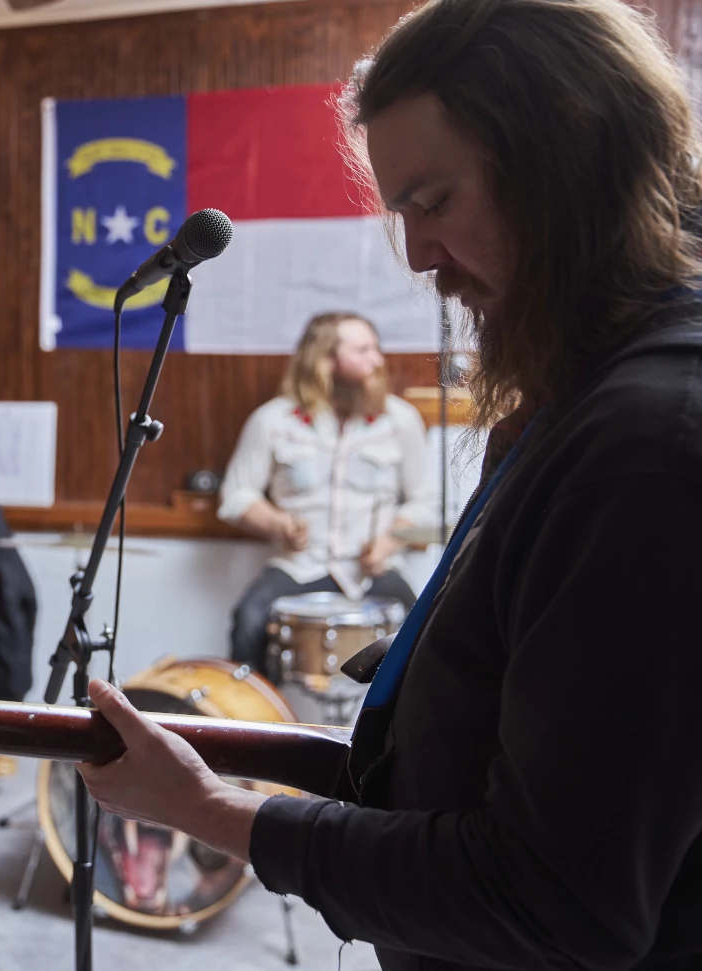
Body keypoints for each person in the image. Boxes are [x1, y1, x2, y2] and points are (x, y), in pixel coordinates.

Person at [78, 1, 702, 968]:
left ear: (569, 158)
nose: (416, 257)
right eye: (401, 213)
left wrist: (206, 810)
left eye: (437, 201)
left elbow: (552, 898)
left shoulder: (647, 443)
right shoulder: (585, 404)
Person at [218, 311, 437, 674]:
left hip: (372, 570)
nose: (377, 360)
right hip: (300, 566)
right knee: (249, 619)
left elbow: (427, 503)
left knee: (425, 635)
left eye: (376, 348)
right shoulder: (273, 421)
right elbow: (235, 497)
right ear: (325, 360)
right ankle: (254, 723)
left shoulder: (400, 420)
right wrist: (278, 524)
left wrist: (388, 542)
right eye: (363, 350)